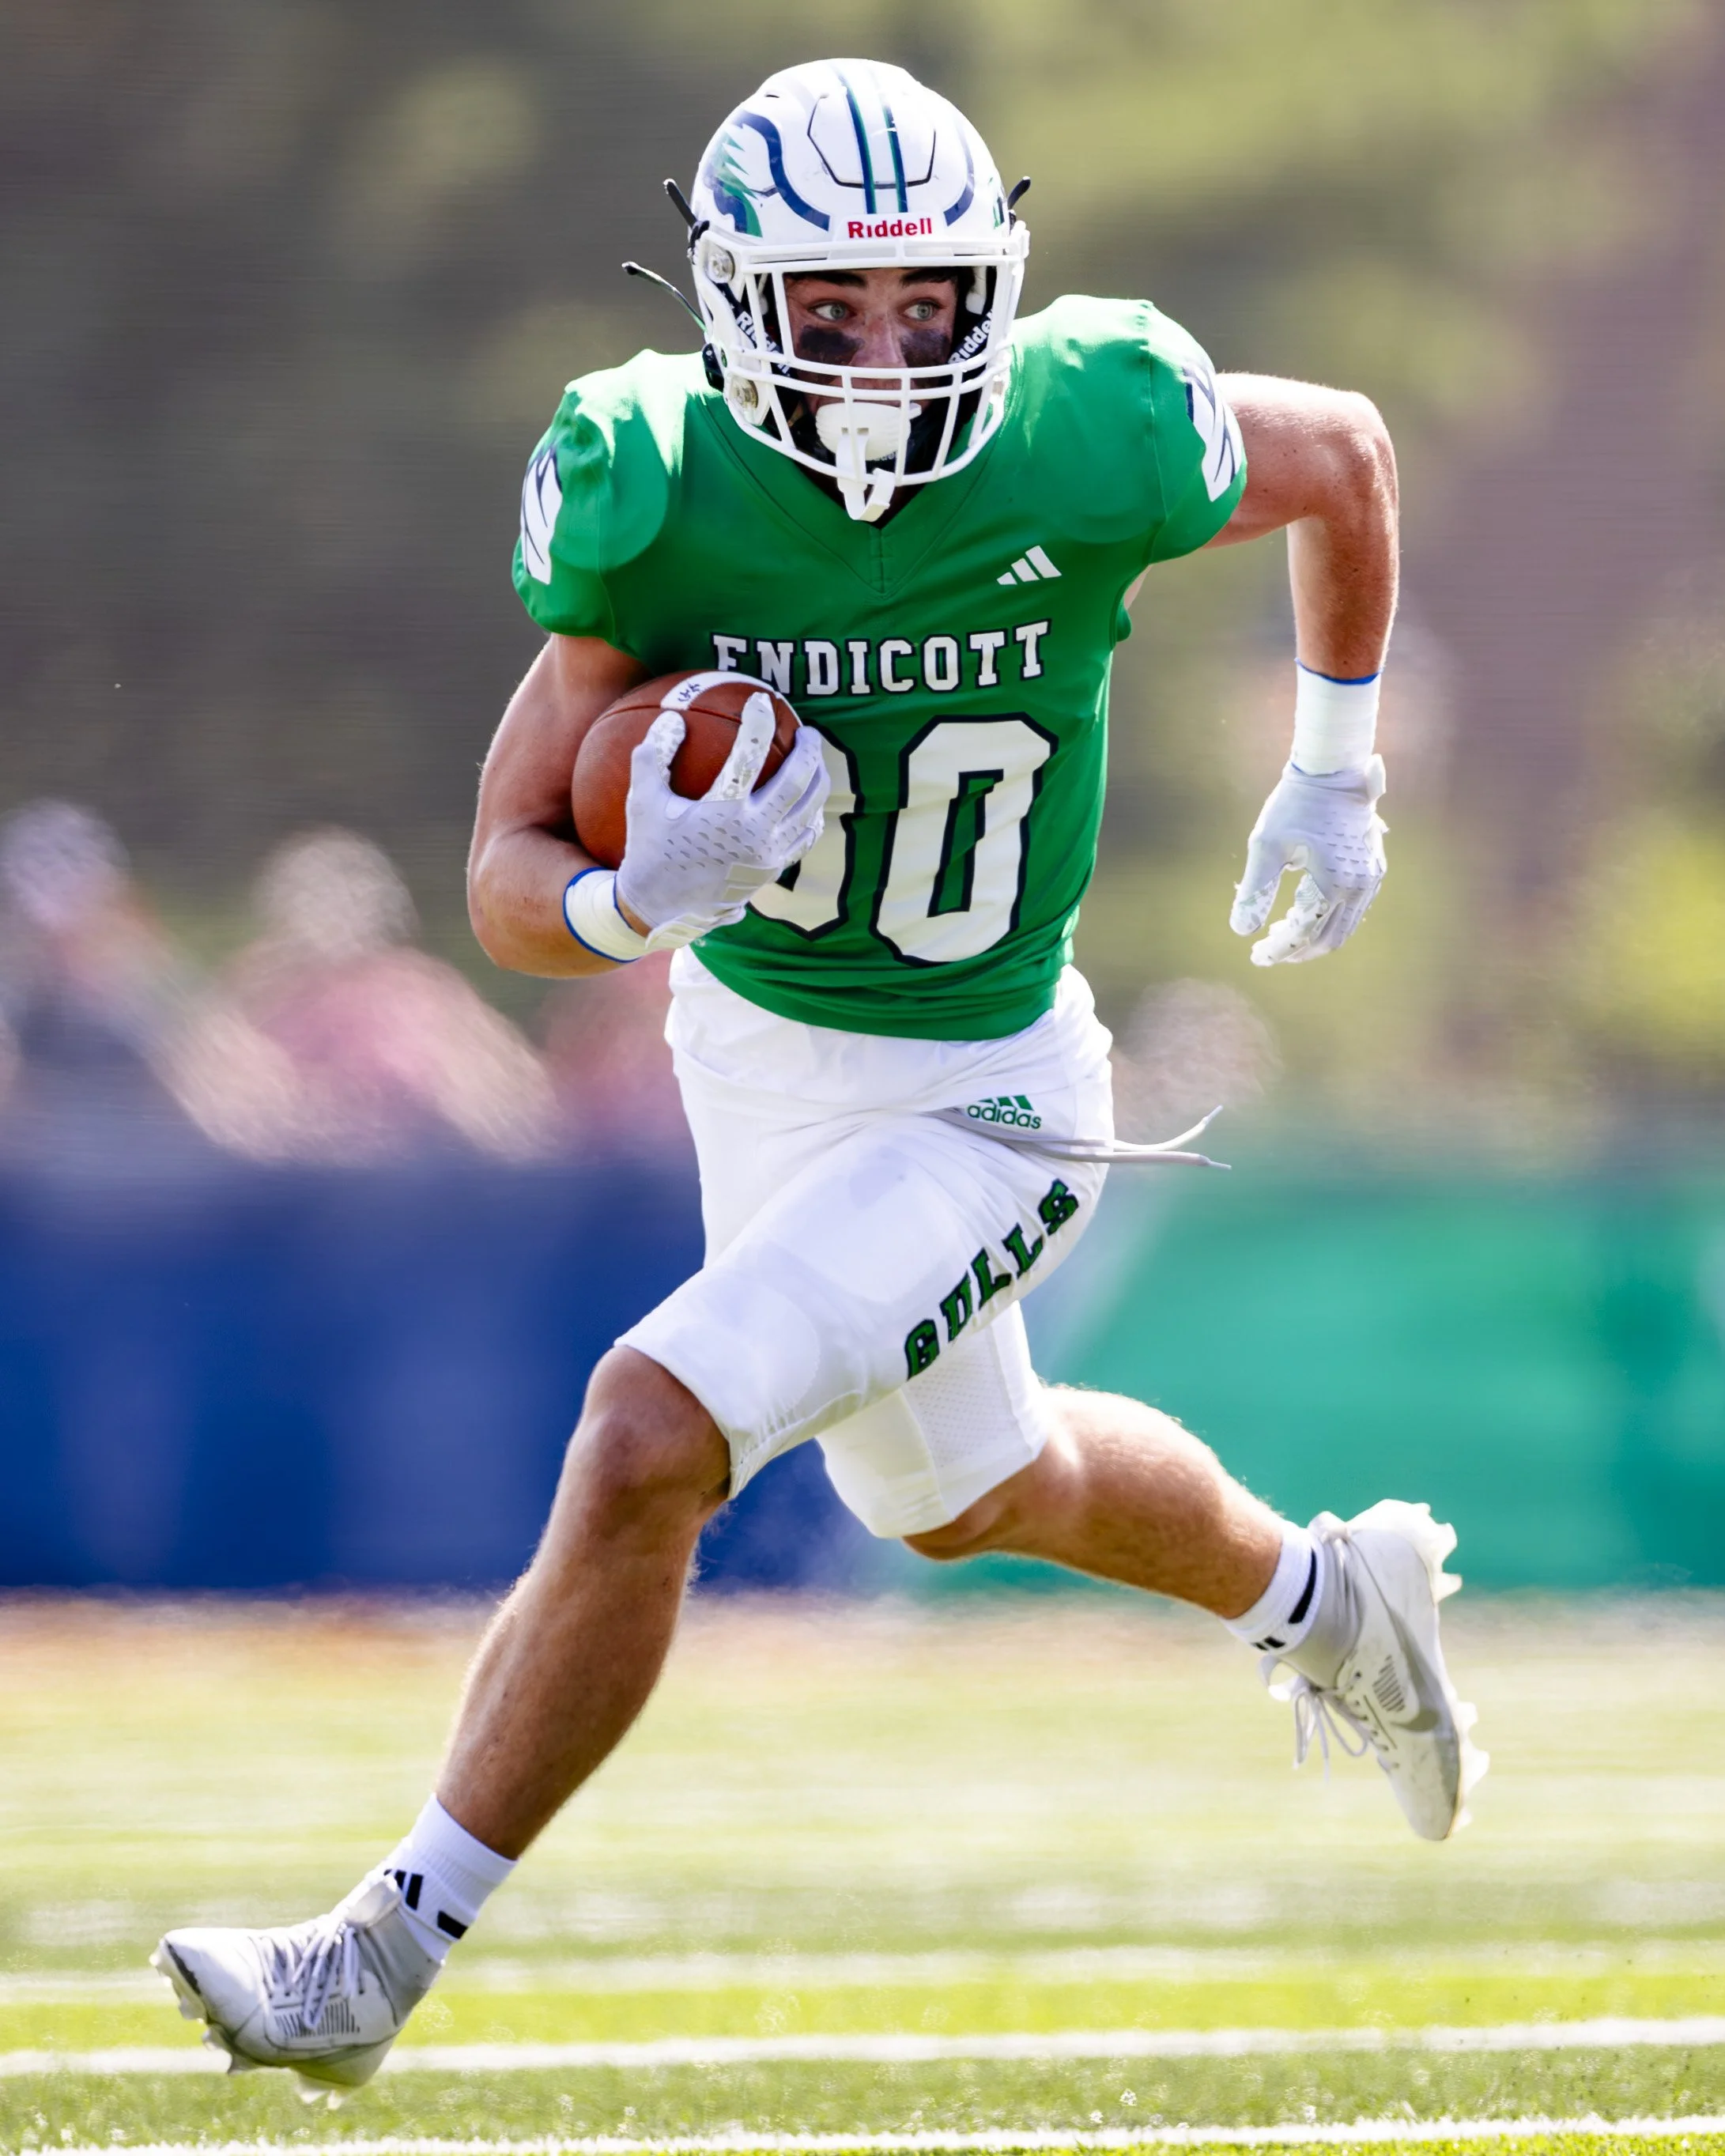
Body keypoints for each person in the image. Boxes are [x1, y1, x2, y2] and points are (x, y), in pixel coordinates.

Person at [153, 59, 1485, 2093]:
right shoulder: (653, 480)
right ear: (728, 300)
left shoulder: (1089, 424)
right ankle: (1330, 1594)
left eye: (923, 302)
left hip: (993, 1093)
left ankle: (378, 1952)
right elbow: (506, 875)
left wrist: (1333, 765)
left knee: (641, 1435)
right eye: (830, 308)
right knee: (973, 1490)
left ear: (994, 291)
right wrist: (631, 898)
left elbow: (1350, 455)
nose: (881, 354)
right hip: (753, 1059)